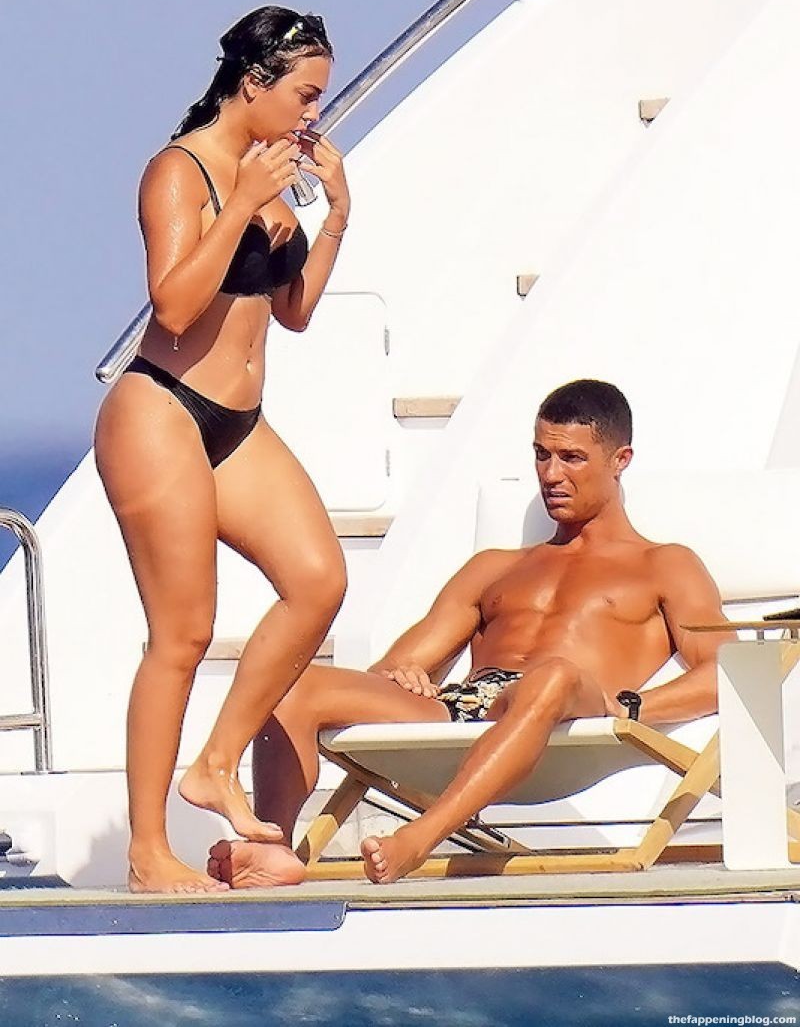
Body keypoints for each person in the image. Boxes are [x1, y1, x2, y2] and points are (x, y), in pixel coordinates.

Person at [206, 378, 736, 889]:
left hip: (575, 708)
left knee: (552, 676)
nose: (551, 475)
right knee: (294, 686)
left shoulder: (664, 565)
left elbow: (726, 672)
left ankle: (422, 836)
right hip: (467, 708)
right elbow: (393, 668)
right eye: (541, 455)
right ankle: (273, 847)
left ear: (620, 460)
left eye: (572, 458)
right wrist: (405, 674)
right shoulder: (495, 567)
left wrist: (631, 707)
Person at [94, 6, 351, 894]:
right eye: (304, 95)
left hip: (238, 422)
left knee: (319, 580)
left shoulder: (272, 176)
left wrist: (336, 215)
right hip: (161, 411)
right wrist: (241, 201)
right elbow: (173, 307)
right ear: (253, 83)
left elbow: (294, 312)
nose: (313, 113)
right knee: (184, 633)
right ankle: (147, 849)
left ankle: (215, 762)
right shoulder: (180, 170)